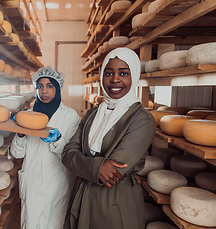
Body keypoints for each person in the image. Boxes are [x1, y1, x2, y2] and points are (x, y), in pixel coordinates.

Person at [62, 47, 156, 229]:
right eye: (109, 73)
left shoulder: (142, 119)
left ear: (134, 76)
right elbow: (67, 154)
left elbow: (114, 173)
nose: (115, 79)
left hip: (114, 205)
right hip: (81, 198)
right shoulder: (92, 114)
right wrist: (98, 167)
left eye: (123, 73)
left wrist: (82, 162)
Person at [11, 66, 80, 229]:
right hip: (32, 180)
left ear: (57, 88)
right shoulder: (28, 116)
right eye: (40, 86)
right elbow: (17, 153)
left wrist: (57, 140)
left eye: (49, 86)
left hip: (58, 181)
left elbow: (71, 155)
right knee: (31, 223)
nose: (44, 91)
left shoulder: (70, 115)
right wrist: (19, 132)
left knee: (54, 223)